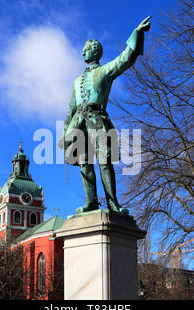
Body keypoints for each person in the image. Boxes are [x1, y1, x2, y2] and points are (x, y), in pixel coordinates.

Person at [60, 16, 151, 215]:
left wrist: (137, 33)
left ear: (95, 51)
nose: (83, 51)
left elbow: (125, 59)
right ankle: (91, 201)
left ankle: (112, 203)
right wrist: (66, 132)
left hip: (98, 120)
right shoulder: (77, 81)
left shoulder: (104, 71)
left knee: (105, 162)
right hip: (79, 123)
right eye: (83, 49)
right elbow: (71, 109)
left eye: (87, 48)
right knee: (84, 164)